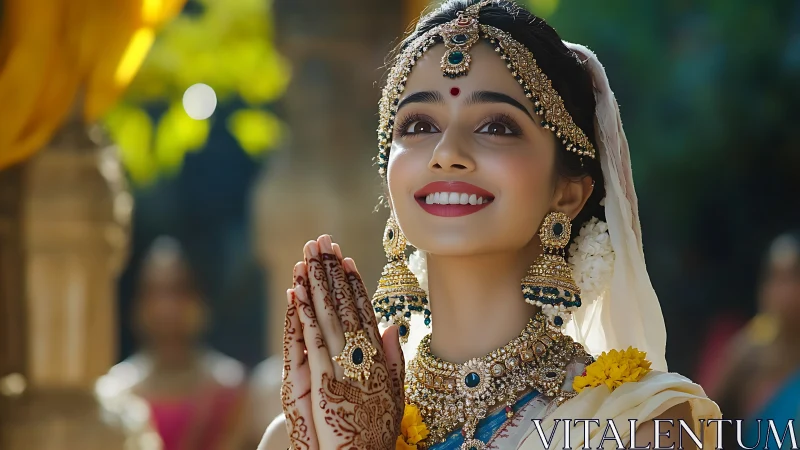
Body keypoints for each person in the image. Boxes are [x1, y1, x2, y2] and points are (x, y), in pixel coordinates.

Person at [261, 1, 721, 449]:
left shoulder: (637, 423)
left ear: (568, 192)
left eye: (497, 127)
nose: (446, 153)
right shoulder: (307, 434)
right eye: (419, 124)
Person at [97, 236, 248, 450]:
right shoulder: (116, 392)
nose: (166, 306)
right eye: (154, 291)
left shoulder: (230, 390)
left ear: (201, 300)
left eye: (178, 289)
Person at [713, 231, 800, 448]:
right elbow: (712, 425)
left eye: (793, 278)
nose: (783, 291)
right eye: (775, 278)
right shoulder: (748, 353)